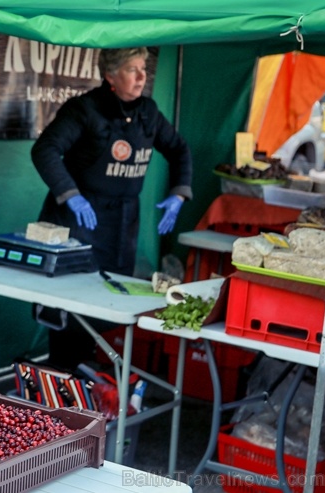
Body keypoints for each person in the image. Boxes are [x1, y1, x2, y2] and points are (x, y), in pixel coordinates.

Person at [31, 47, 193, 369]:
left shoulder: (148, 111)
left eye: (143, 68)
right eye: (132, 69)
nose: (142, 76)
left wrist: (178, 193)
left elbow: (178, 149)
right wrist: (70, 194)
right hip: (78, 220)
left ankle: (93, 382)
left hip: (121, 223)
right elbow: (45, 149)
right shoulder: (84, 109)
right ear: (110, 75)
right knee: (71, 308)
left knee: (109, 301)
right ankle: (62, 379)